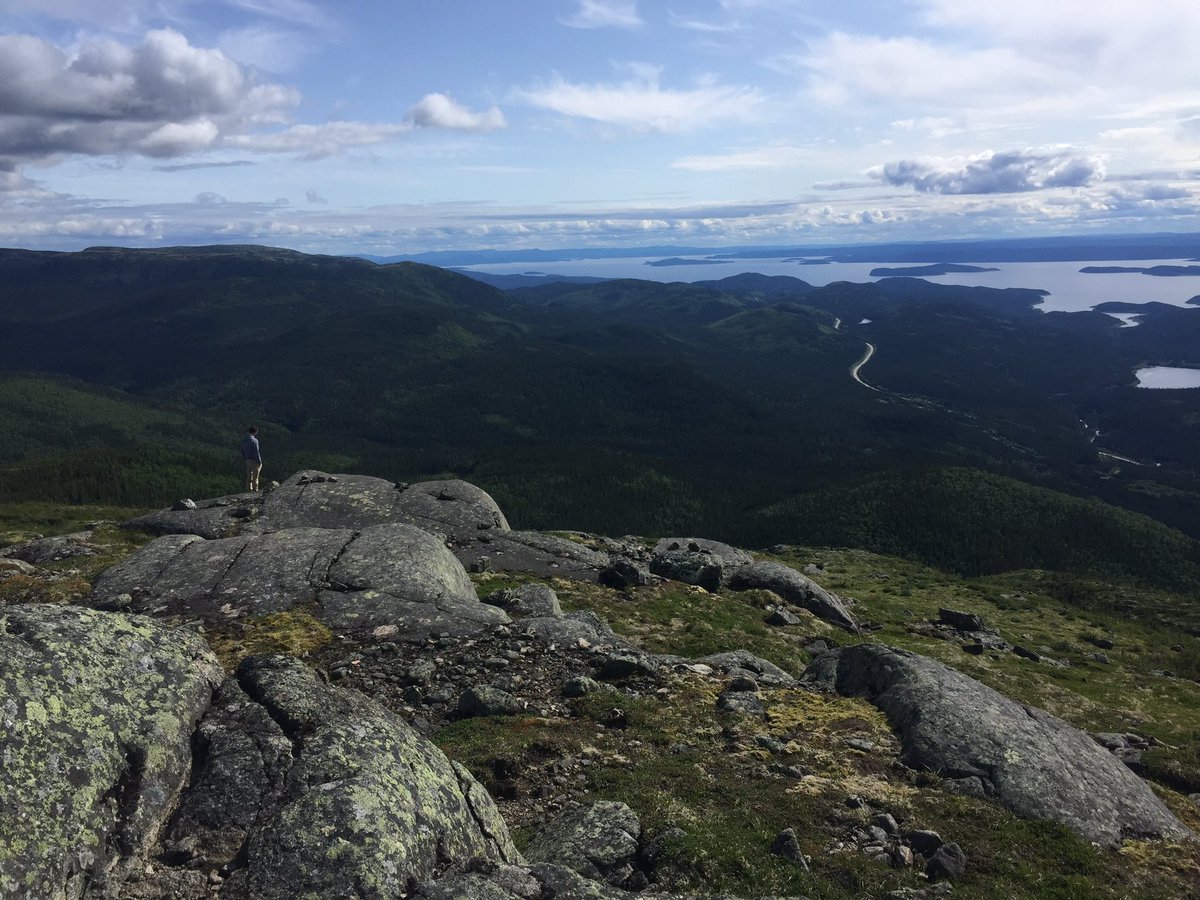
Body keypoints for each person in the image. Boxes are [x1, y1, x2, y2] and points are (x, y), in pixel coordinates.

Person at [240, 426, 262, 492]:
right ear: (255, 432)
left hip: (247, 460)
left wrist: (245, 458)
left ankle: (249, 489)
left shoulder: (244, 440)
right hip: (254, 460)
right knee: (255, 477)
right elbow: (256, 452)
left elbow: (242, 450)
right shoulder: (254, 441)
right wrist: (259, 461)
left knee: (249, 476)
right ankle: (255, 490)